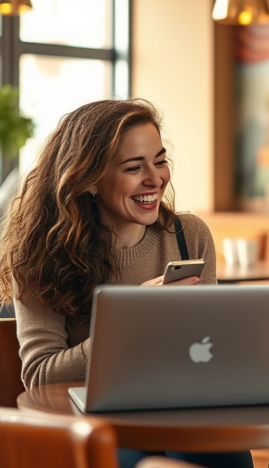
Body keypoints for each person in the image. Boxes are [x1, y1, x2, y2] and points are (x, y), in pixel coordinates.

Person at [0, 99, 253, 468]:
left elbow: (207, 347)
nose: (155, 179)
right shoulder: (38, 256)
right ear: (88, 180)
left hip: (184, 408)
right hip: (95, 423)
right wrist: (129, 323)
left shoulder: (188, 236)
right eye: (135, 167)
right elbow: (40, 377)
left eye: (160, 161)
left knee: (223, 450)